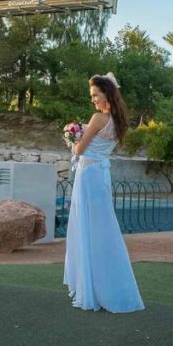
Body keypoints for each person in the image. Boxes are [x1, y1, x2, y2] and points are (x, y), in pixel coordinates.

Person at [63, 73, 144, 313]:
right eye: (92, 96)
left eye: (96, 95)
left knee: (87, 229)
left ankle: (92, 290)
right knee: (103, 230)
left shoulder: (98, 118)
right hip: (100, 176)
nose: (93, 100)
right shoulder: (119, 121)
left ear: (107, 93)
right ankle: (109, 287)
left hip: (88, 176)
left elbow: (80, 149)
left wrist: (70, 137)